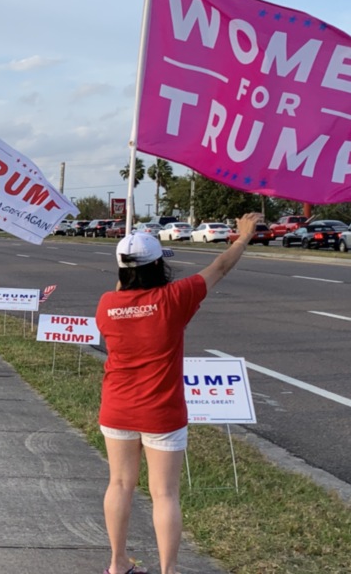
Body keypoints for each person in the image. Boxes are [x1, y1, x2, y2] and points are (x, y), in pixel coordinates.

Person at [95, 212, 262, 574]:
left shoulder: (107, 305)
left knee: (120, 483)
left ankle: (116, 563)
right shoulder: (174, 300)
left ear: (122, 271)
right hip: (162, 412)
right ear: (159, 267)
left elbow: (126, 289)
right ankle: (169, 570)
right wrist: (244, 237)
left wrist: (126, 265)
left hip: (117, 408)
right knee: (165, 494)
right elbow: (219, 268)